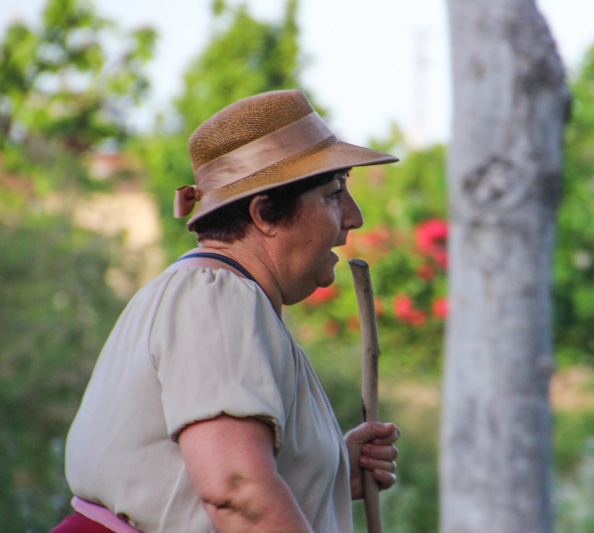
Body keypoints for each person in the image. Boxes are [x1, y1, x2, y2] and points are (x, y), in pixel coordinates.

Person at [51, 89, 401, 533]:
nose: (354, 216)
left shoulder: (211, 297)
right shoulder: (216, 298)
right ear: (266, 213)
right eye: (334, 193)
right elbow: (237, 493)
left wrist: (324, 469)